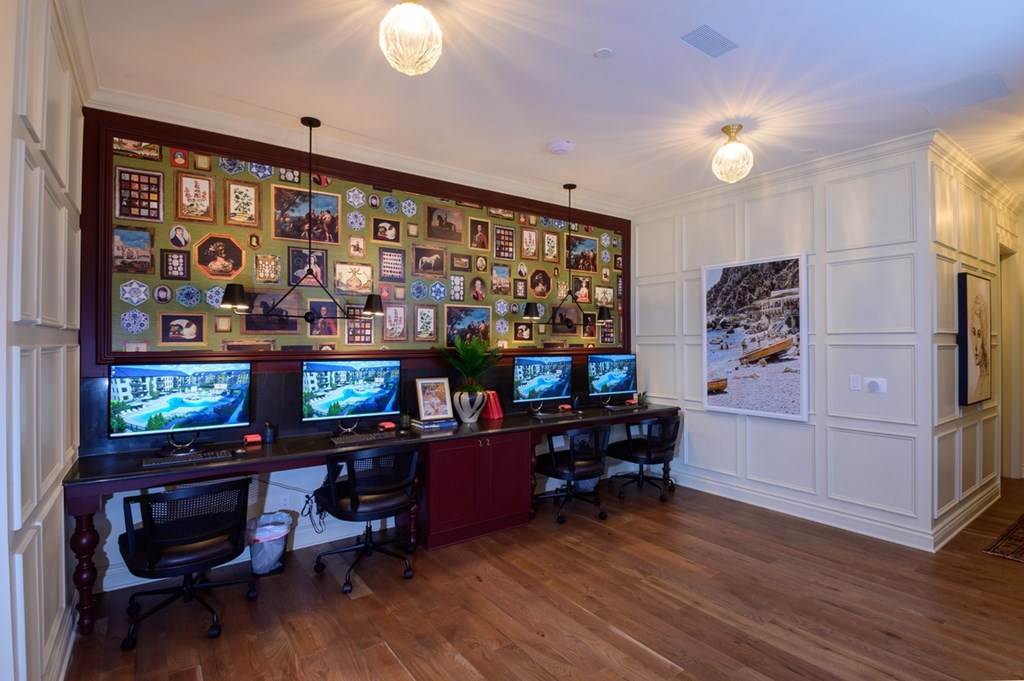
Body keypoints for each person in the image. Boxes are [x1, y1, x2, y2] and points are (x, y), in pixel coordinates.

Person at [969, 292, 991, 401]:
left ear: (984, 338)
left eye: (979, 334)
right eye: (973, 333)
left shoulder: (987, 380)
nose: (976, 347)